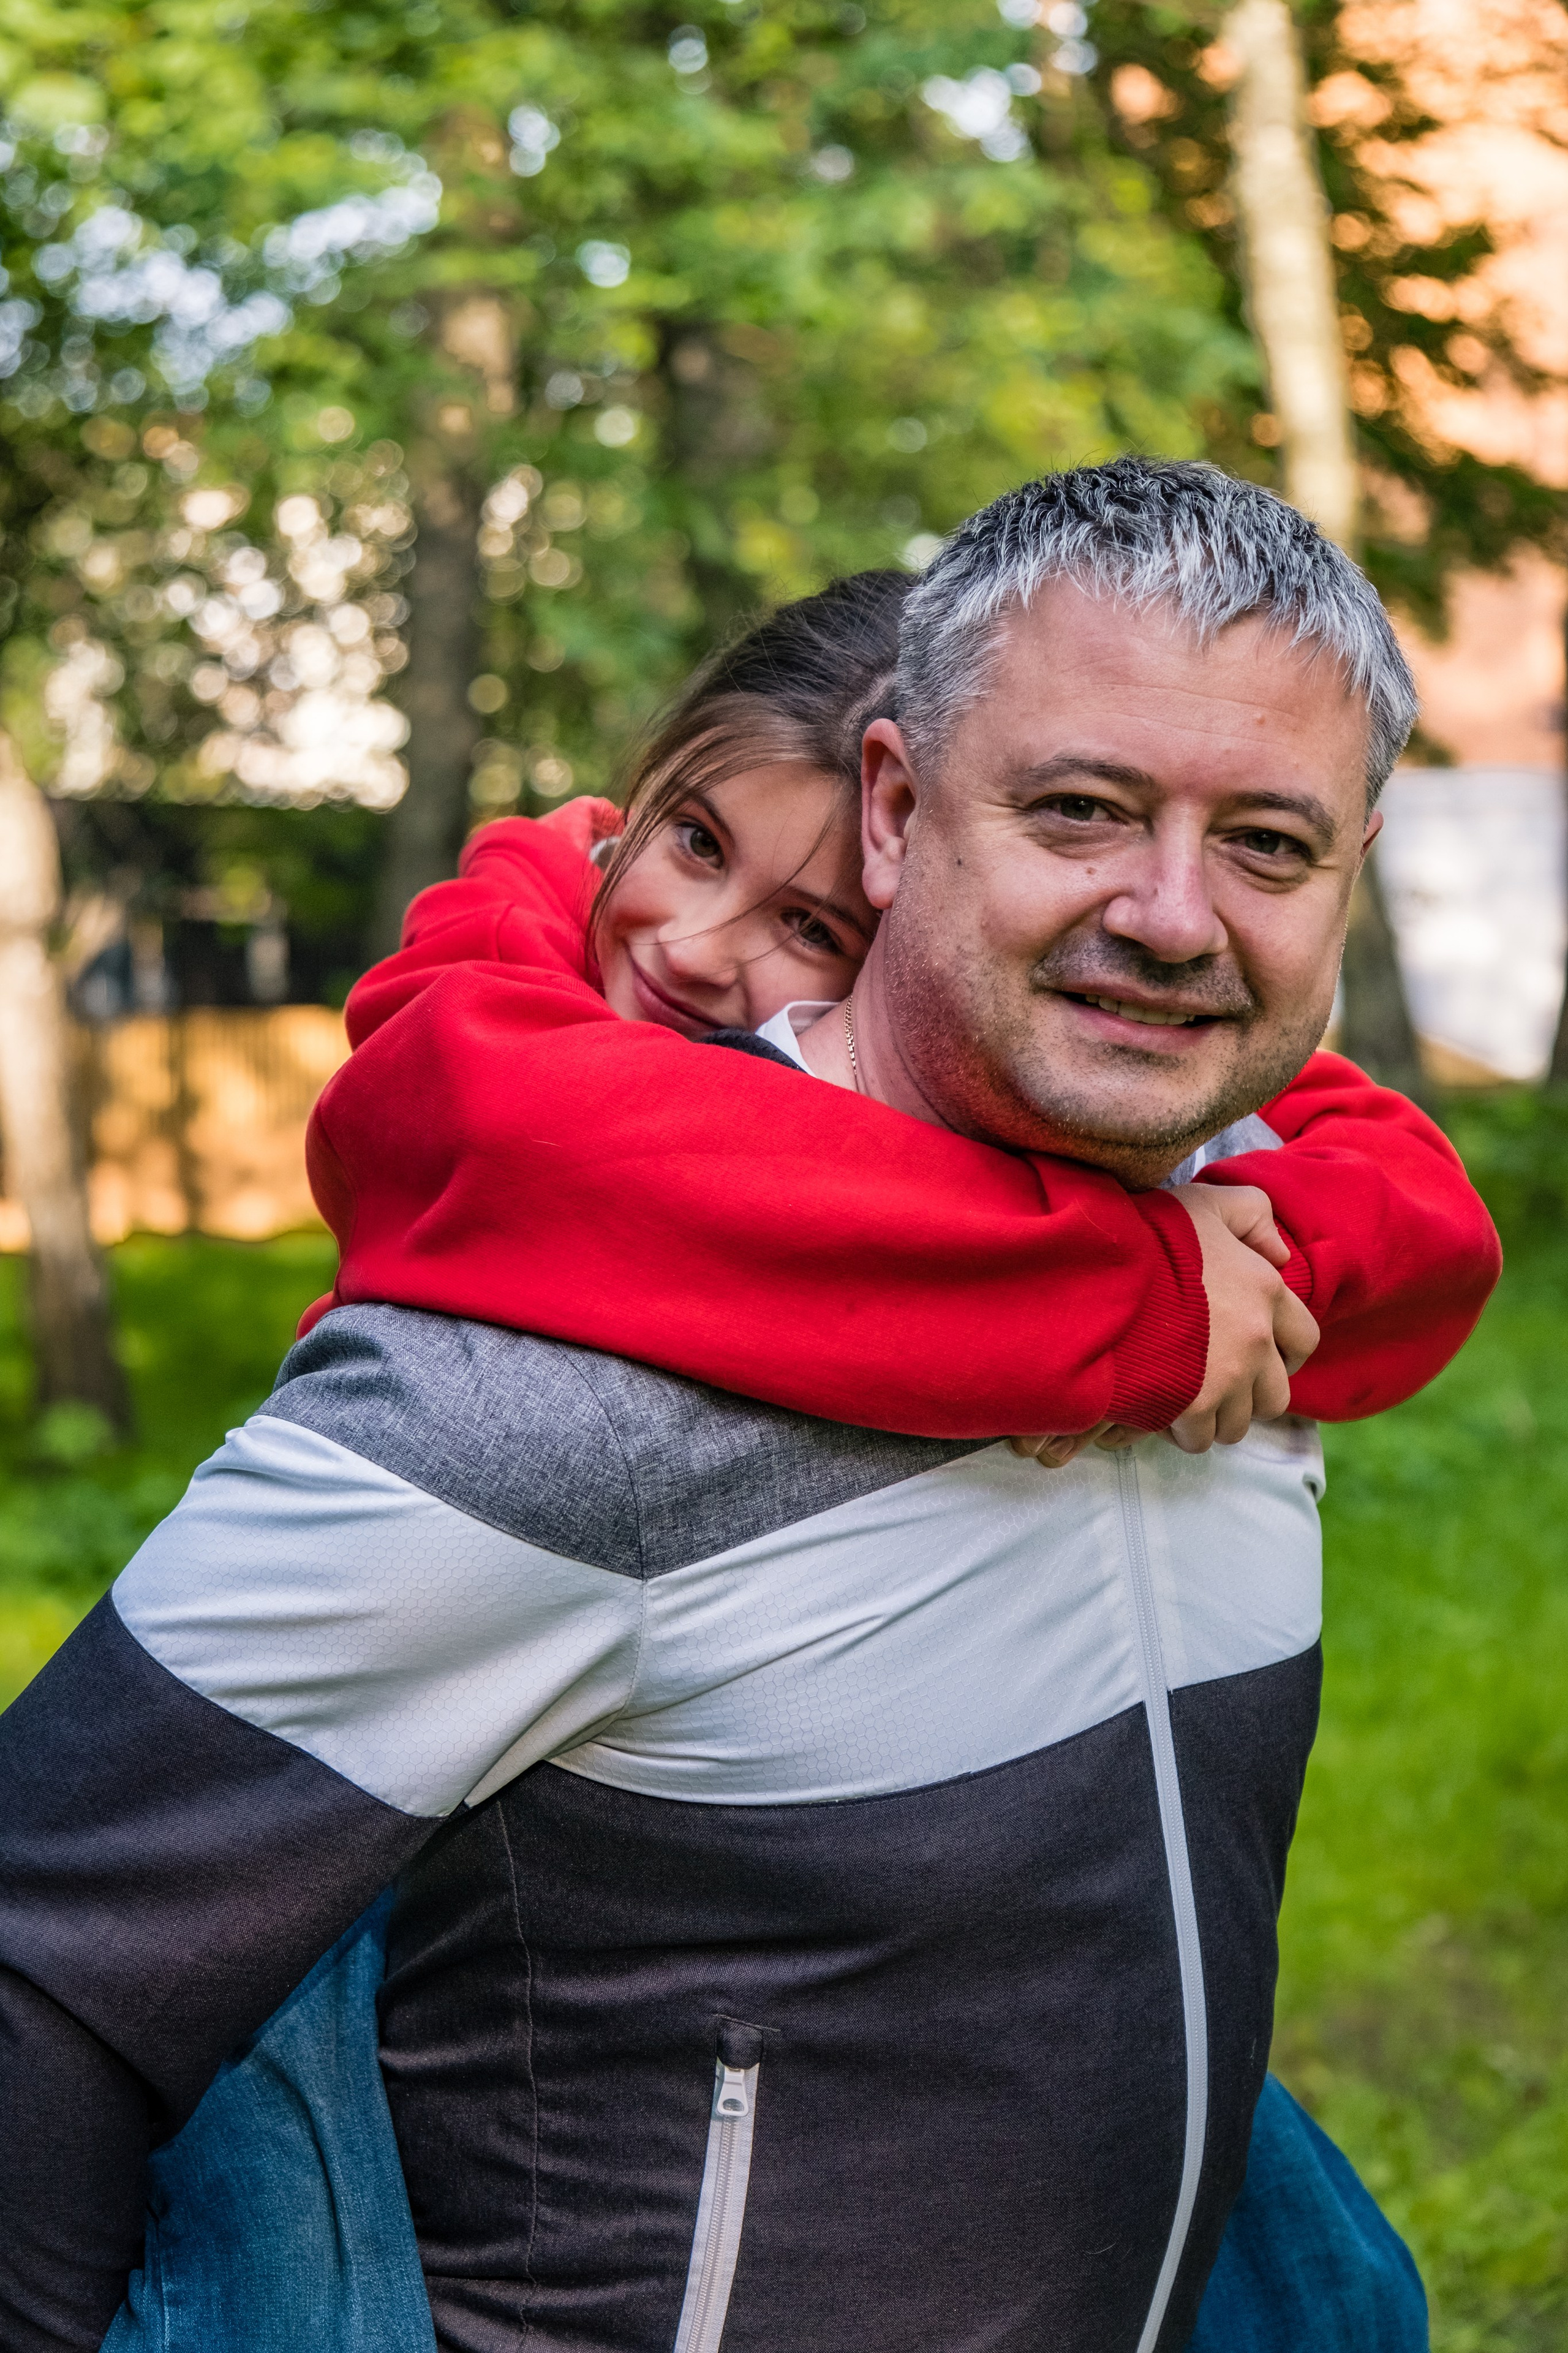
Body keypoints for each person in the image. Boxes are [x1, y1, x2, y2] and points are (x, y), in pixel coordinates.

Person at [0, 462, 1490, 2353]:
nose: (1177, 915)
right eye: (1081, 811)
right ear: (894, 808)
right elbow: (39, 1958)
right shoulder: (550, 1394)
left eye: (1269, 843)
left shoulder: (1257, 1267)